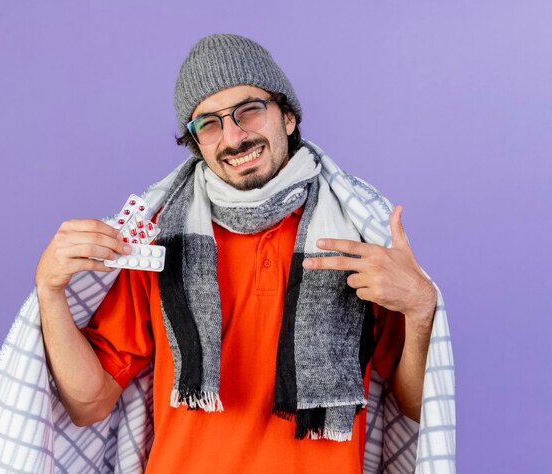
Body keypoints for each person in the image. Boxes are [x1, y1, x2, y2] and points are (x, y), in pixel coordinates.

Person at [35, 34, 438, 473]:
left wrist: (420, 309)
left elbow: (416, 406)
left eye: (249, 111)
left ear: (287, 116)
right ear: (197, 143)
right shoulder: (160, 241)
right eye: (208, 123)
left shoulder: (356, 234)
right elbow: (88, 405)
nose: (233, 136)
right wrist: (49, 291)